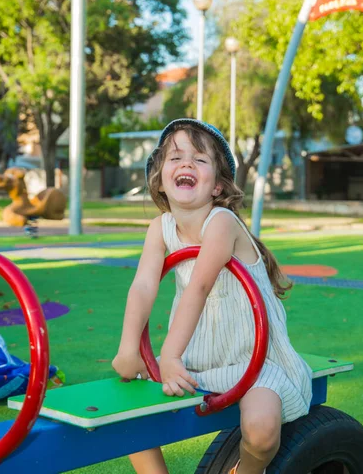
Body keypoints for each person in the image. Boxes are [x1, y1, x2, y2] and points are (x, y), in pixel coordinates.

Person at [112, 118, 312, 474]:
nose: (187, 163)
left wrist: (169, 355)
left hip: (253, 358)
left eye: (199, 159)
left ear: (218, 187)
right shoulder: (159, 228)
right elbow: (143, 286)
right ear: (159, 179)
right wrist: (129, 348)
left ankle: (247, 472)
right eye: (175, 158)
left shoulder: (221, 222)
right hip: (197, 356)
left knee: (262, 431)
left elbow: (200, 286)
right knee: (125, 413)